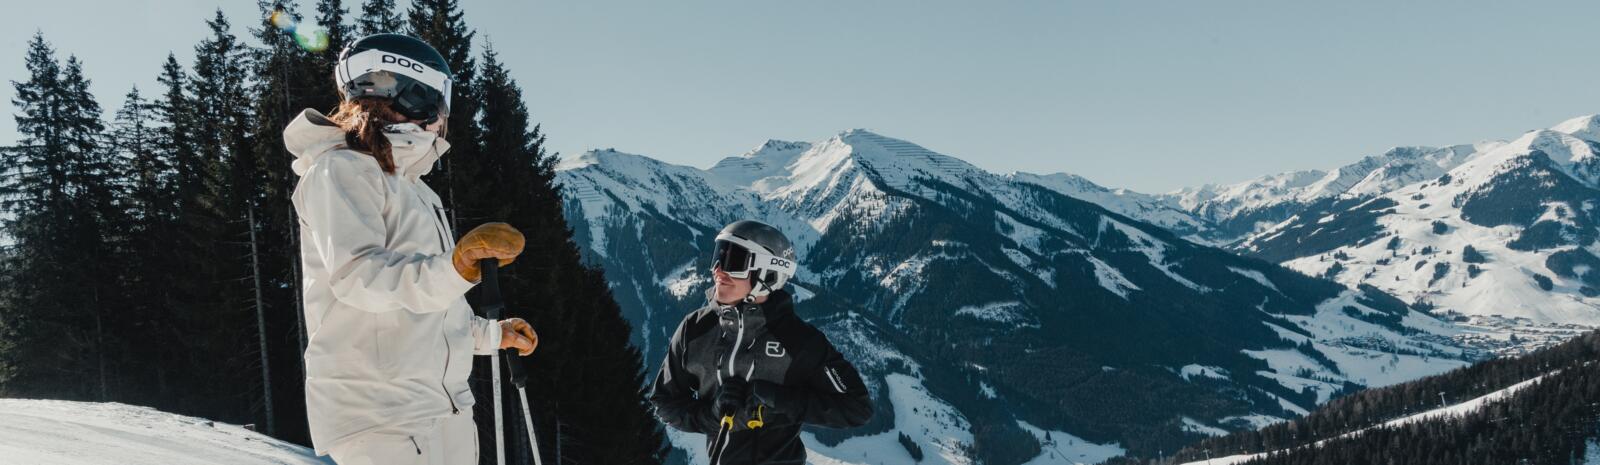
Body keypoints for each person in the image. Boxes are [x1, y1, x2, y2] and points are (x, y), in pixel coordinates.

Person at [285, 33, 539, 465]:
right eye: (439, 101)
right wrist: (457, 267)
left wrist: (492, 334)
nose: (442, 117)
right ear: (413, 94)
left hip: (442, 408)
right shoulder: (340, 170)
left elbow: (426, 309)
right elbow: (362, 278)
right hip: (383, 416)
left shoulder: (416, 190)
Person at [649, 220, 874, 464]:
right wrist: (711, 416)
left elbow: (856, 407)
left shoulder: (798, 341)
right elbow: (664, 402)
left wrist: (778, 399)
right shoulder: (695, 330)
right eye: (717, 256)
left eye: (732, 260)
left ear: (768, 273)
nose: (717, 269)